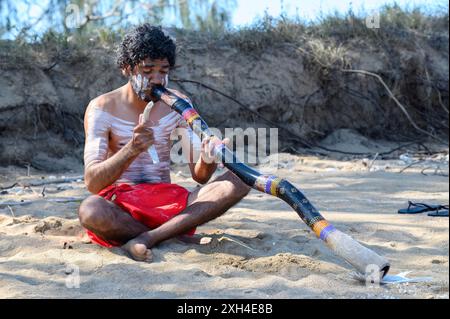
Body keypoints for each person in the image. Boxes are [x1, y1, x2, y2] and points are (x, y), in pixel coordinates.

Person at [78, 24, 250, 262]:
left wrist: (208, 158)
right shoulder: (101, 108)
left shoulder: (178, 103)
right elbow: (93, 182)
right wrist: (132, 149)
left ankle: (149, 238)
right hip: (122, 209)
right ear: (127, 68)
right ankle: (171, 237)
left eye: (163, 71)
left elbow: (199, 176)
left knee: (241, 178)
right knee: (91, 210)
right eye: (147, 71)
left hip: (169, 205)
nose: (157, 80)